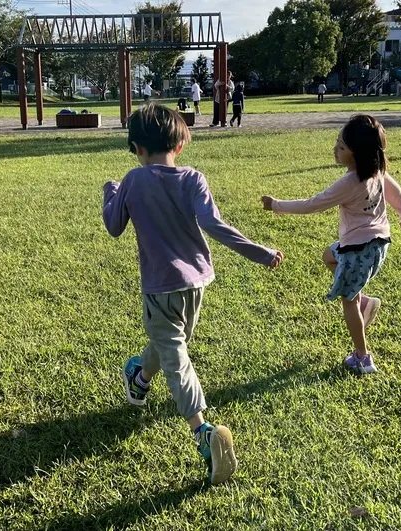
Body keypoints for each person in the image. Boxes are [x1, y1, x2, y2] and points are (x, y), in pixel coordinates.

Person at [102, 103, 283, 485]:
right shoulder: (193, 178)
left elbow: (113, 225)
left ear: (136, 146)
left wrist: (110, 191)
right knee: (171, 346)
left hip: (160, 287)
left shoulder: (133, 179)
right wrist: (261, 253)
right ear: (180, 145)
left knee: (177, 358)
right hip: (197, 284)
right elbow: (214, 225)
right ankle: (139, 376)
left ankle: (203, 432)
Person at [261, 115, 401, 374]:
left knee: (348, 299)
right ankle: (365, 301)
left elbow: (313, 204)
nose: (336, 149)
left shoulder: (350, 182)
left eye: (342, 147)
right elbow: (396, 194)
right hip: (376, 245)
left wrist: (276, 204)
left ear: (357, 154)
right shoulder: (377, 171)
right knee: (329, 256)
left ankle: (363, 358)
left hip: (359, 250)